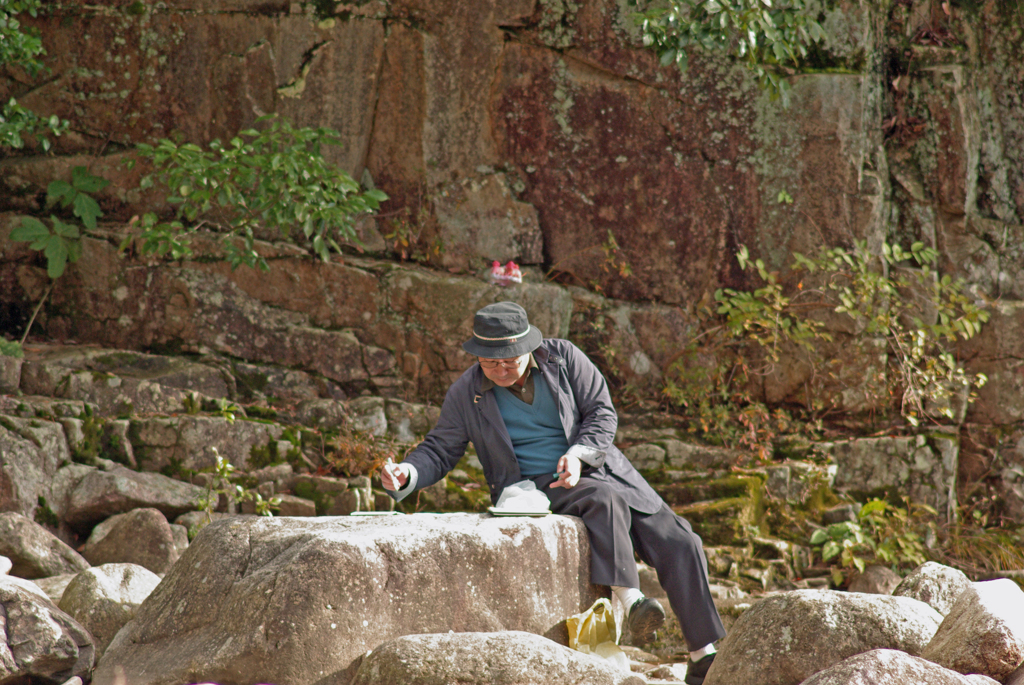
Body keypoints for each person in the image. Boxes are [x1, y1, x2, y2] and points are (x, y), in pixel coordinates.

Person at [381, 302, 726, 685]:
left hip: (600, 466)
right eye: (490, 363)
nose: (500, 370)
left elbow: (601, 412)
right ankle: (632, 602)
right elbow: (440, 449)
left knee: (681, 539)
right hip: (539, 487)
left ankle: (702, 656)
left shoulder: (564, 359)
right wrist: (407, 472)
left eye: (509, 360)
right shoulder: (467, 393)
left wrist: (578, 453)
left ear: (528, 347)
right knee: (602, 502)